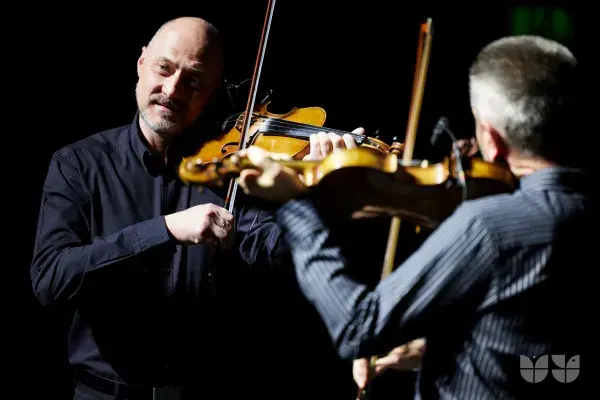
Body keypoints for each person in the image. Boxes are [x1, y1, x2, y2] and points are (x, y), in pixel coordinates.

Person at [236, 35, 590, 398]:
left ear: (491, 137)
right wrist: (444, 346)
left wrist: (298, 202)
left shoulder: (488, 227)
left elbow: (358, 329)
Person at [29, 16, 358, 400]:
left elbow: (274, 249)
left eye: (193, 81)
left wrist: (318, 197)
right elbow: (51, 279)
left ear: (211, 91)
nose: (172, 90)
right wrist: (166, 229)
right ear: (141, 63)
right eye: (164, 68)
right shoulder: (79, 164)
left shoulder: (229, 168)